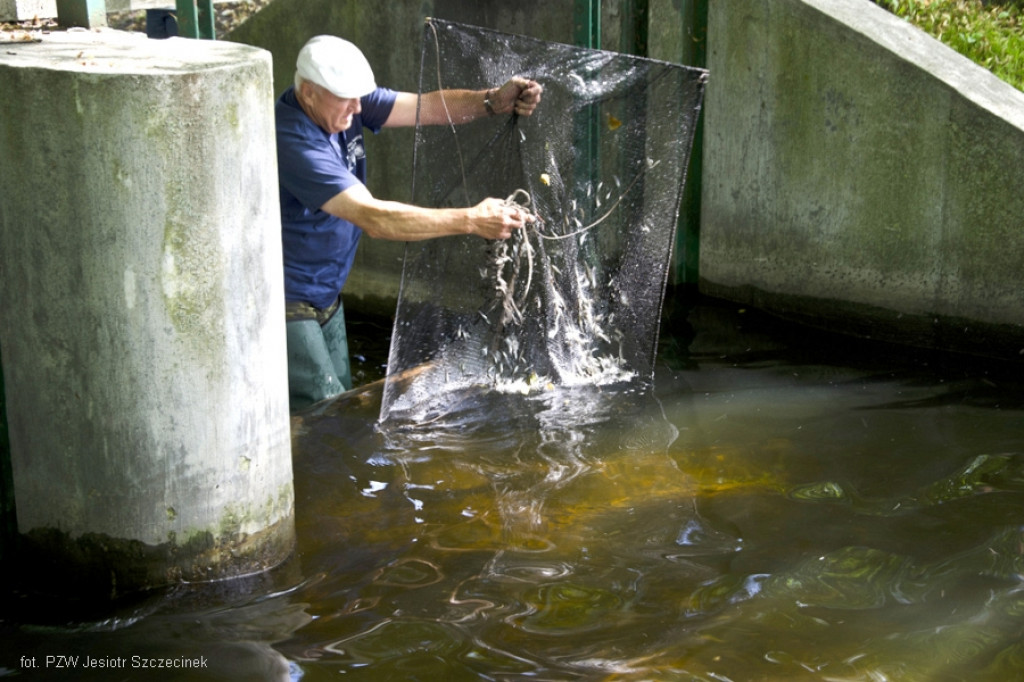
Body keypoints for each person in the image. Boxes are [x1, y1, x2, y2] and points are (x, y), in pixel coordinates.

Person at [276, 34, 543, 410]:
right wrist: (471, 219)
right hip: (289, 300)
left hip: (326, 292)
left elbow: (427, 107)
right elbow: (375, 218)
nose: (358, 107)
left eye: (359, 97)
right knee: (323, 415)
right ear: (307, 92)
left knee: (340, 407)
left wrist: (490, 102)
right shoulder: (295, 142)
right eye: (346, 98)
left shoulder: (344, 103)